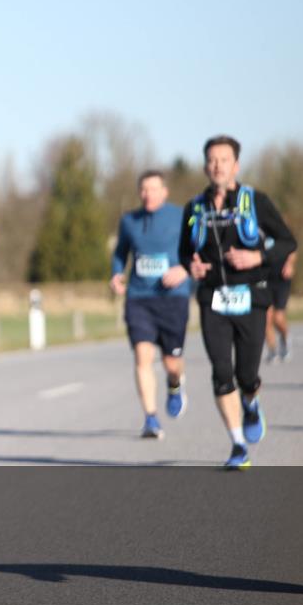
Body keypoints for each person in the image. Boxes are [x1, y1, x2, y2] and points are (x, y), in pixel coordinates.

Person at [179, 135, 297, 470]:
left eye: (224, 160)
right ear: (205, 166)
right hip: (212, 300)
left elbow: (288, 241)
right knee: (221, 372)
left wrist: (256, 255)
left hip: (252, 298)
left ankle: (251, 401)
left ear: (236, 165)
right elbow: (184, 251)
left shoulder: (256, 201)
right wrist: (192, 265)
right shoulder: (194, 208)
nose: (217, 166)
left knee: (247, 374)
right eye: (212, 160)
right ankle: (237, 444)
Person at [110, 169, 191, 440]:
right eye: (143, 189)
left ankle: (174, 384)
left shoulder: (181, 216)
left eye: (153, 189)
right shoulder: (129, 221)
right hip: (139, 297)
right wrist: (116, 274)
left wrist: (183, 271)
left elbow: (197, 252)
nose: (148, 194)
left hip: (174, 298)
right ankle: (151, 418)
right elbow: (120, 253)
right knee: (142, 357)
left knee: (171, 363)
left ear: (164, 191)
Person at [264, 246, 297, 363]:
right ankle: (272, 351)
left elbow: (292, 247)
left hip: (281, 279)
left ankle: (285, 337)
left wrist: (290, 264)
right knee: (266, 318)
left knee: (278, 317)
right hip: (265, 279)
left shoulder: (279, 230)